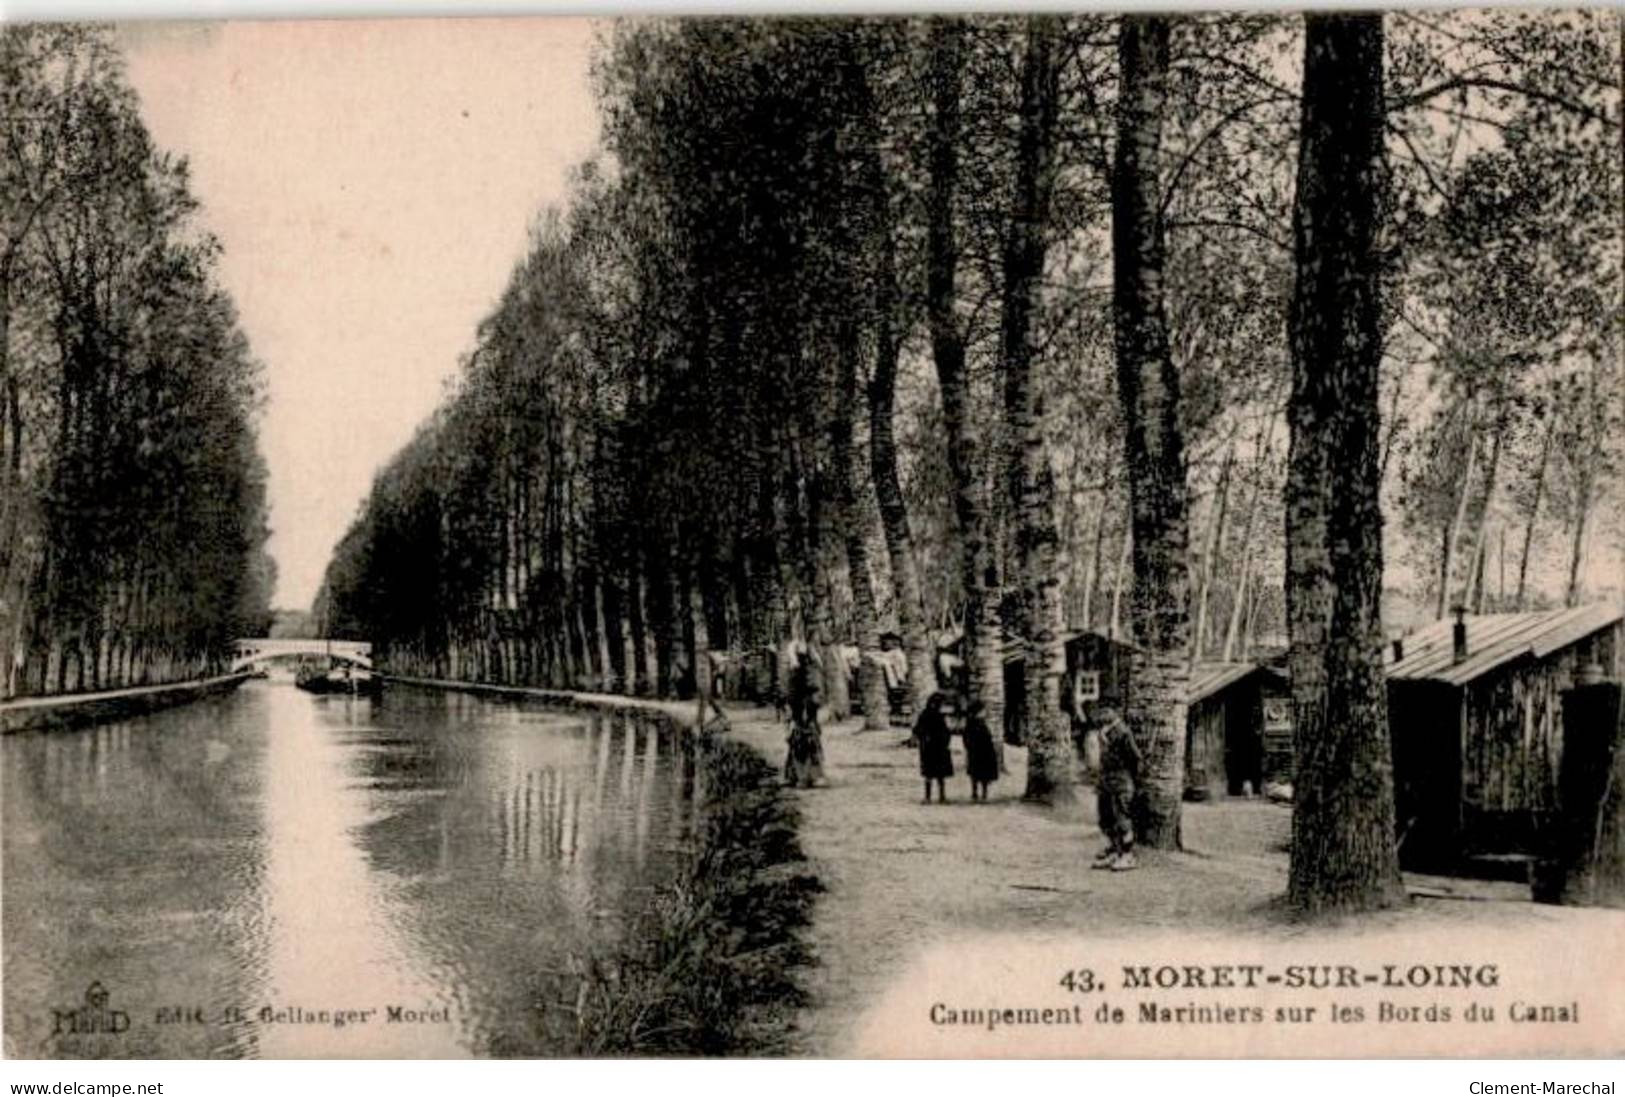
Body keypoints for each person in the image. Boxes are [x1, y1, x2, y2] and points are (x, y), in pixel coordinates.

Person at [1092, 704, 1140, 871]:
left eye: (1106, 710)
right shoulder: (1103, 732)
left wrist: (1129, 778)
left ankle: (1127, 855)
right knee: (1106, 818)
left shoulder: (1123, 732)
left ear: (1115, 712)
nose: (1103, 714)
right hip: (1106, 781)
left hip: (1121, 781)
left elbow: (1134, 758)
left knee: (1122, 819)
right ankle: (1113, 851)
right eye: (1102, 710)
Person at [784, 648, 826, 788]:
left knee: (803, 744)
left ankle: (804, 776)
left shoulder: (799, 676)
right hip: (802, 713)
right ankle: (804, 776)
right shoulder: (799, 676)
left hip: (804, 713)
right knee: (803, 744)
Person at [913, 692, 954, 803]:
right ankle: (938, 797)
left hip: (932, 748)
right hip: (934, 748)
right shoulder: (932, 716)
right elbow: (919, 730)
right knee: (936, 775)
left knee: (930, 774)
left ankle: (930, 797)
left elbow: (917, 730)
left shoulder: (927, 715)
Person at [961, 699, 999, 802]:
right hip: (978, 751)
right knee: (977, 774)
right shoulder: (974, 724)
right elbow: (966, 737)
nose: (984, 713)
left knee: (980, 774)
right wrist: (969, 746)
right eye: (982, 711)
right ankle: (977, 793)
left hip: (983, 752)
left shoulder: (978, 724)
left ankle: (981, 793)